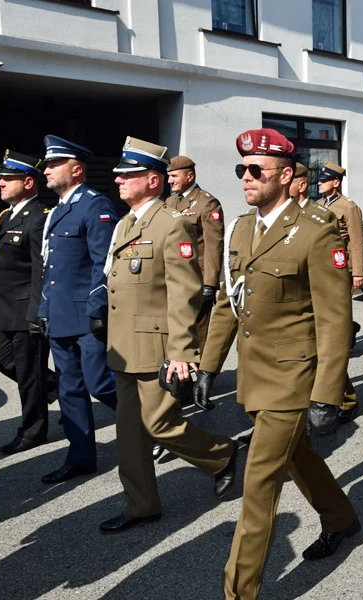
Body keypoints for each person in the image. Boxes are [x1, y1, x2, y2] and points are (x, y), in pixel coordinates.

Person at [194, 128, 359, 599]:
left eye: (256, 171)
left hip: (292, 377)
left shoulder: (316, 231)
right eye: (241, 169)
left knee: (259, 484)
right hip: (254, 375)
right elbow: (229, 302)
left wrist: (327, 392)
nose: (246, 178)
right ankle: (343, 518)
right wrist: (209, 366)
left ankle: (238, 592)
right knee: (298, 456)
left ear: (286, 176)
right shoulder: (243, 228)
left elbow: (334, 319)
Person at [99, 137, 236, 533]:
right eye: (120, 175)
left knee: (160, 424)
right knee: (129, 435)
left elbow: (183, 294)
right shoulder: (127, 222)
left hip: (156, 345)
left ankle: (222, 454)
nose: (120, 180)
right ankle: (141, 505)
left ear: (154, 181)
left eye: (129, 175)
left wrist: (182, 352)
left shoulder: (170, 225)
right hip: (124, 345)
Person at [38, 135, 119, 484]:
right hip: (60, 316)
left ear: (77, 169)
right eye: (47, 165)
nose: (46, 171)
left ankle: (159, 427)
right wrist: (44, 308)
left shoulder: (94, 205)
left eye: (53, 164)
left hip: (87, 316)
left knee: (100, 384)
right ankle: (81, 456)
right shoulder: (57, 209)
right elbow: (51, 267)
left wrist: (97, 311)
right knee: (69, 389)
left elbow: (105, 265)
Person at [0, 150, 57, 454]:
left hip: (25, 307)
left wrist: (37, 313)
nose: (0, 183)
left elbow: (42, 269)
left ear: (28, 182)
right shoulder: (9, 215)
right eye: (1, 178)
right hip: (6, 307)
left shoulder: (39, 216)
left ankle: (32, 431)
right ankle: (58, 389)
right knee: (5, 362)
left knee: (28, 375)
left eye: (7, 178)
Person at [317, 162, 363, 423]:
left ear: (336, 182)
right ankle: (350, 327)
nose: (319, 184)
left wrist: (358, 271)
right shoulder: (320, 206)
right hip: (320, 271)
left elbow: (356, 240)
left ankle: (348, 329)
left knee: (336, 320)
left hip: (340, 270)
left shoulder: (348, 207)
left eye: (324, 181)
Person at [165, 156, 224, 356]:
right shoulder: (170, 201)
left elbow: (213, 245)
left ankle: (200, 376)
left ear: (189, 176)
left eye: (174, 176)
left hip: (195, 278)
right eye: (168, 176)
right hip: (171, 276)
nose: (170, 180)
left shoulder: (207, 203)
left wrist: (210, 284)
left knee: (196, 331)